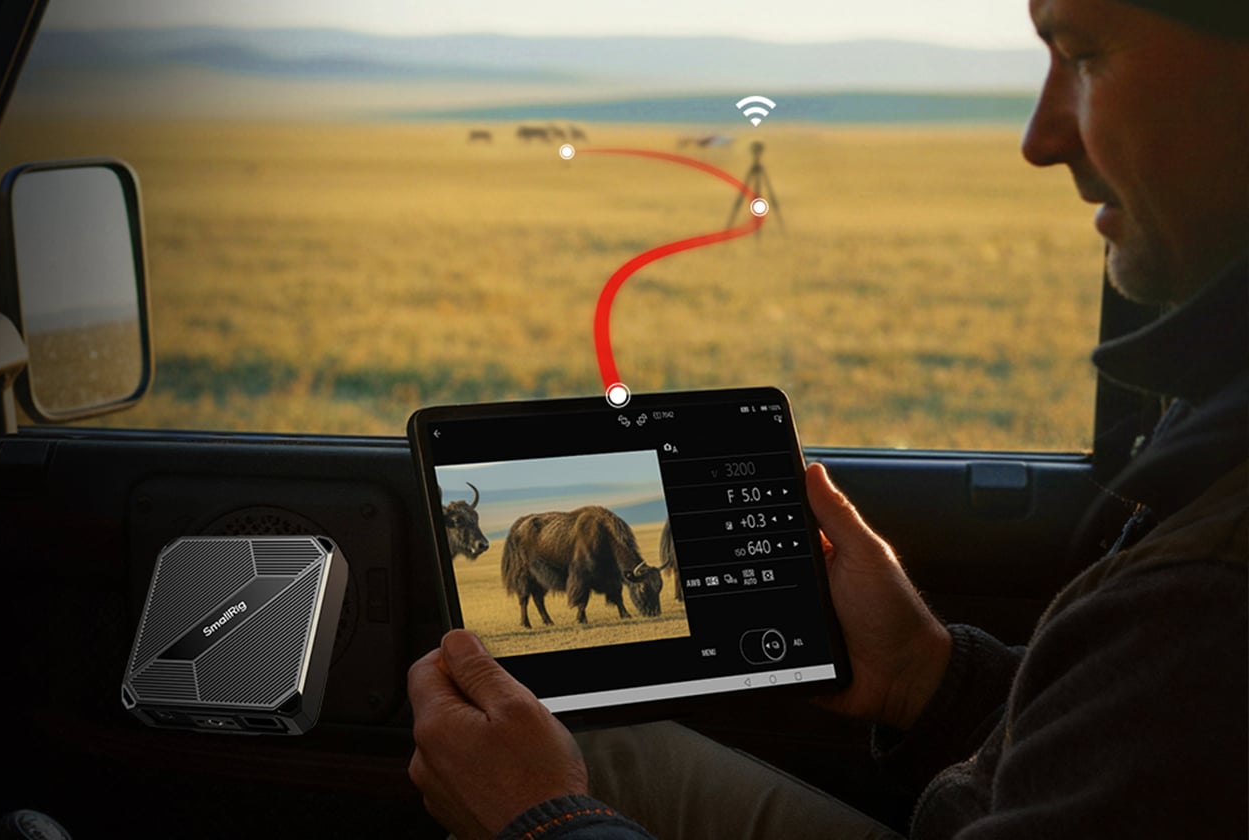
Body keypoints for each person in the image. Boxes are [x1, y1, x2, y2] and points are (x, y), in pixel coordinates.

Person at [406, 0, 1249, 836]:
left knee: (570, 772)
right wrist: (927, 677)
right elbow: (1105, 740)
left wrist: (546, 825)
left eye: (1086, 56)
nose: (1039, 139)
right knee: (613, 751)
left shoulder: (1208, 600)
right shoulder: (1210, 458)